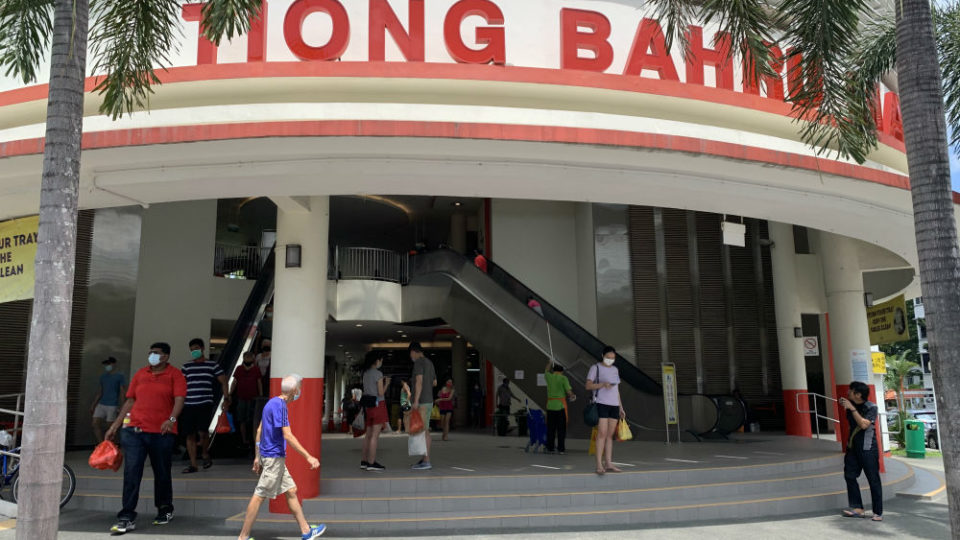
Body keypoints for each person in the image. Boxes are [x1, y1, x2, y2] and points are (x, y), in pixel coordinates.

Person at [105, 342, 187, 535]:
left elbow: (179, 399)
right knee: (132, 473)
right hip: (134, 431)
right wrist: (115, 425)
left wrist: (171, 419)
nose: (152, 356)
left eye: (156, 353)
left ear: (165, 356)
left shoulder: (175, 375)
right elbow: (130, 400)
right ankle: (126, 516)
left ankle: (165, 509)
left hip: (162, 433)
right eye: (150, 352)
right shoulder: (141, 374)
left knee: (162, 472)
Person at [236, 374, 327, 540]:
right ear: (293, 391)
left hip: (271, 457)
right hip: (274, 459)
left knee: (291, 491)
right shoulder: (280, 407)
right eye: (299, 388)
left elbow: (259, 431)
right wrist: (308, 456)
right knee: (259, 496)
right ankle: (243, 537)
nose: (300, 391)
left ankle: (306, 531)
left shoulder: (271, 403)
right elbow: (288, 435)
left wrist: (257, 457)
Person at [180, 338, 229, 473]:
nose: (194, 352)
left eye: (196, 349)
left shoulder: (212, 365)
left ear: (202, 349)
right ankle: (193, 464)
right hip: (188, 404)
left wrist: (226, 398)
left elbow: (224, 381)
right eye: (191, 350)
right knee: (189, 434)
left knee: (203, 432)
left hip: (205, 403)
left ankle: (205, 453)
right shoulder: (186, 367)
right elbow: (180, 385)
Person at [840, 381, 883, 521]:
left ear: (858, 394)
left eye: (850, 391)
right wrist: (850, 408)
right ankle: (857, 507)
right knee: (849, 475)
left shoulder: (871, 407)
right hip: (853, 448)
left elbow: (864, 425)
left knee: (873, 479)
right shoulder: (849, 407)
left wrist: (852, 408)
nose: (847, 393)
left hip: (868, 448)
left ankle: (878, 512)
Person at [585, 346, 626, 475]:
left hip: (614, 405)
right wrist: (602, 384)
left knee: (610, 435)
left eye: (613, 358)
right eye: (608, 357)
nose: (610, 360)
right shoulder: (595, 368)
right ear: (603, 355)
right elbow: (588, 385)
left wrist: (621, 407)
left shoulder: (615, 369)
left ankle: (608, 463)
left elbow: (616, 390)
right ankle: (599, 464)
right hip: (601, 403)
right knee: (602, 434)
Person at [360, 356, 390, 472]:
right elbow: (381, 392)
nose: (381, 362)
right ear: (377, 361)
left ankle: (364, 461)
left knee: (368, 435)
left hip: (368, 406)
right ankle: (371, 462)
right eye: (381, 360)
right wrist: (386, 383)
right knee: (375, 436)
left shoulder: (365, 373)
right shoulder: (378, 373)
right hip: (378, 404)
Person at [409, 342, 436, 470]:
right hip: (429, 400)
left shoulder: (418, 362)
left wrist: (416, 400)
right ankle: (424, 458)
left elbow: (419, 381)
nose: (411, 356)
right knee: (425, 430)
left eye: (411, 353)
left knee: (424, 431)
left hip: (422, 401)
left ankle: (426, 461)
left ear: (414, 351)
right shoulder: (430, 363)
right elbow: (435, 382)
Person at [230, 351, 262, 449]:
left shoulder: (256, 369)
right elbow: (234, 382)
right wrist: (230, 394)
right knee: (242, 419)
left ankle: (252, 439)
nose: (248, 359)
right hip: (241, 397)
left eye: (249, 357)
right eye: (246, 357)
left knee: (251, 420)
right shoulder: (239, 369)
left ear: (253, 358)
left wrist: (260, 395)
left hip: (253, 398)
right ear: (243, 358)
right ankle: (244, 439)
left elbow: (259, 382)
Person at [91, 356, 127, 444]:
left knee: (110, 426)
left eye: (109, 364)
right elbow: (100, 391)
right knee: (95, 423)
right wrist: (94, 404)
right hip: (102, 403)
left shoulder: (120, 376)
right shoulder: (103, 377)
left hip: (112, 405)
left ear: (113, 364)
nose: (107, 366)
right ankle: (101, 444)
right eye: (106, 364)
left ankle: (111, 445)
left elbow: (122, 392)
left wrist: (122, 406)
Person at [544, 361, 575, 454]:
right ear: (562, 371)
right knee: (561, 429)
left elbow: (546, 370)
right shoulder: (563, 378)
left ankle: (550, 448)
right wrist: (572, 396)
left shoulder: (548, 376)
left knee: (551, 428)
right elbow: (569, 392)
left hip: (550, 406)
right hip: (560, 407)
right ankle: (561, 449)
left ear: (553, 370)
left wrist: (549, 362)